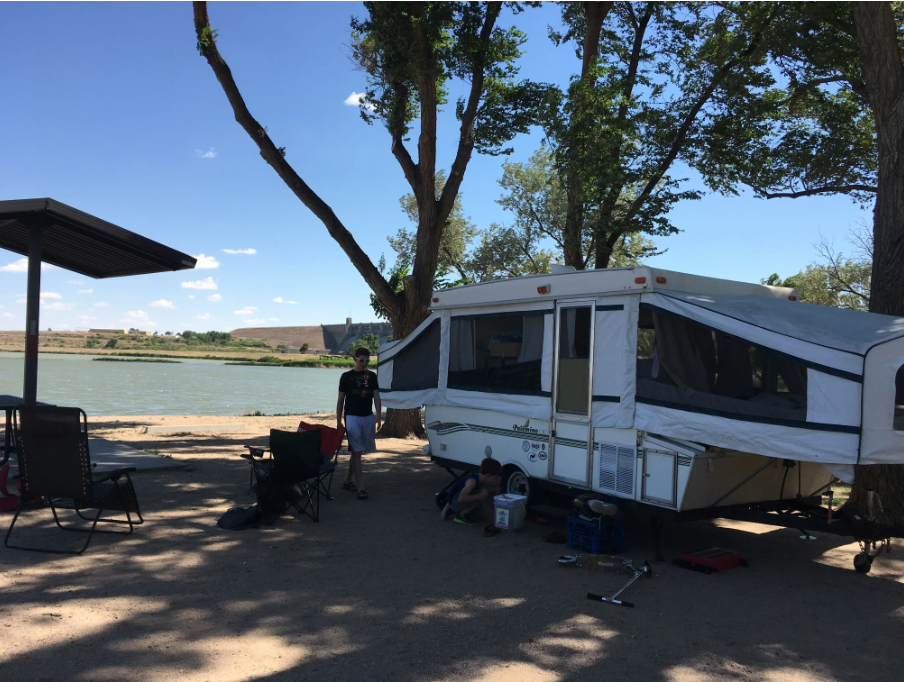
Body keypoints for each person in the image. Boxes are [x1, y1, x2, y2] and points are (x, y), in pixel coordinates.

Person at [337, 347, 381, 500]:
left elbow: (376, 396)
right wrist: (338, 421)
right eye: (362, 360)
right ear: (355, 359)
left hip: (367, 416)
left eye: (367, 360)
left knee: (358, 451)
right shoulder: (346, 377)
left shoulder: (372, 376)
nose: (364, 363)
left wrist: (378, 415)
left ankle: (347, 480)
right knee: (356, 451)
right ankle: (361, 488)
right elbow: (340, 400)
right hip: (352, 417)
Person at [440, 458, 503, 525]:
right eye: (495, 478)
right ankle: (461, 515)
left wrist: (492, 491)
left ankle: (463, 511)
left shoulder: (480, 478)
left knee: (485, 515)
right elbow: (461, 498)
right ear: (487, 475)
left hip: (463, 499)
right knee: (483, 493)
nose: (496, 481)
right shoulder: (472, 481)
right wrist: (481, 495)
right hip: (456, 502)